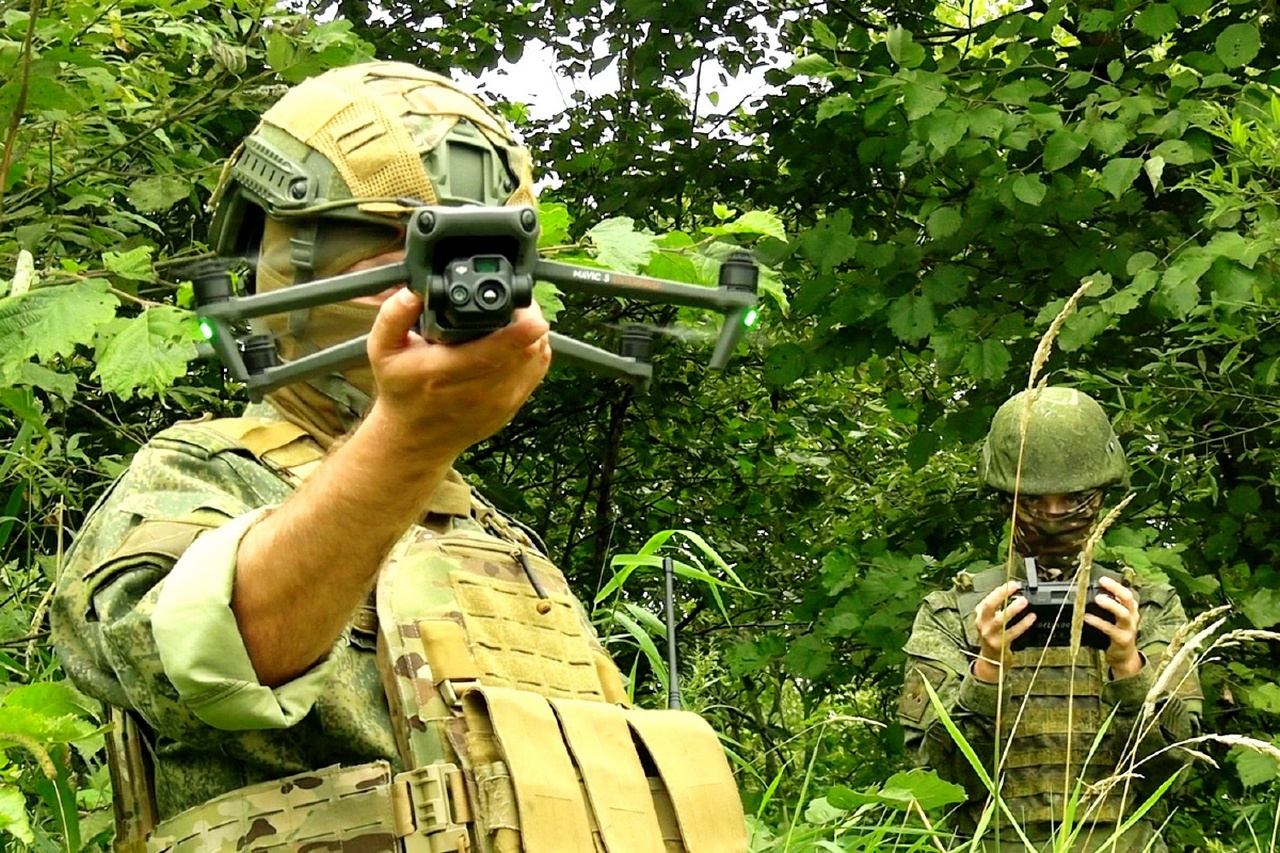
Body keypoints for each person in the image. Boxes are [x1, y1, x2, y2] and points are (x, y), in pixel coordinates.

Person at [52, 61, 746, 852]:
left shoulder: (505, 544)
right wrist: (408, 439)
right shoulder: (199, 473)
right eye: (397, 250)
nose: (447, 288)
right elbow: (197, 665)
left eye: (483, 257)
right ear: (285, 261)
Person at [898, 386, 1202, 852]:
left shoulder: (1149, 610)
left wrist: (1128, 667)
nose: (1055, 514)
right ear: (1005, 499)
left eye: (1073, 498)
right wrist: (988, 668)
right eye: (1035, 500)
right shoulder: (952, 615)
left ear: (1101, 497)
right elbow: (940, 780)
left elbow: (1175, 769)